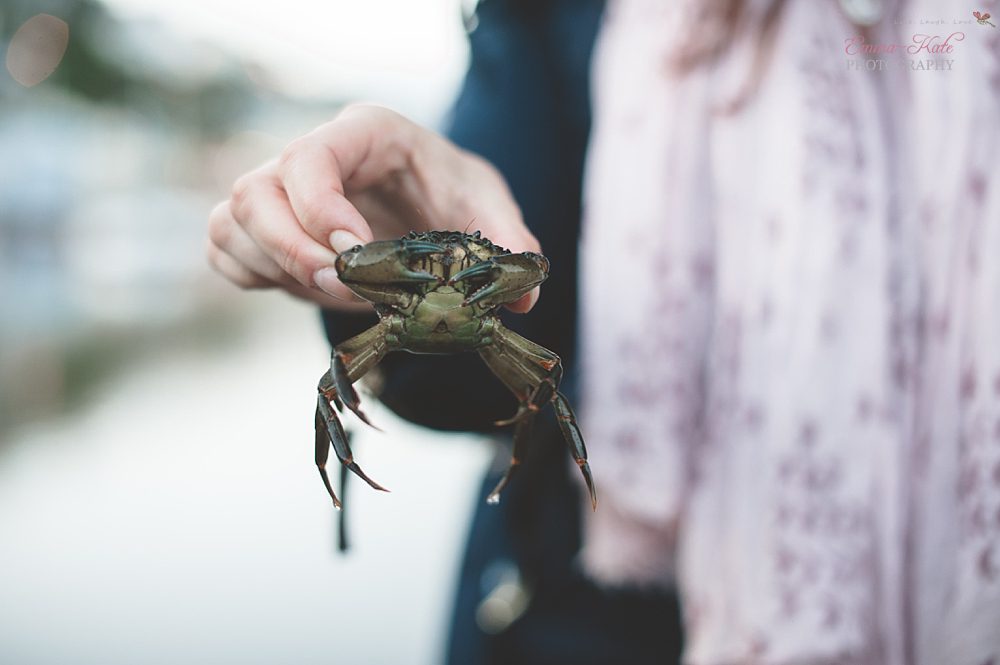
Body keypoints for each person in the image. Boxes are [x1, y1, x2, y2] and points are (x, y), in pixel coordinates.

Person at [209, 0, 1000, 663]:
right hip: (570, 614)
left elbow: (536, 357)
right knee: (348, 387)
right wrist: (373, 250)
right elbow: (474, 375)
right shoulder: (552, 14)